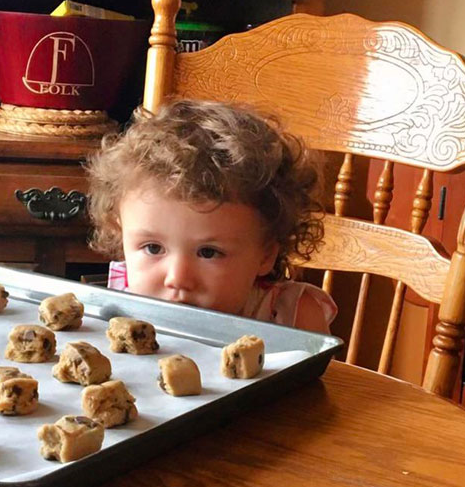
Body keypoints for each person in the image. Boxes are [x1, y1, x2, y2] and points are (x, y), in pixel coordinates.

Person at [86, 99, 337, 333]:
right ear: (121, 234)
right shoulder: (118, 305)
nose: (177, 278)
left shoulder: (292, 317)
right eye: (153, 248)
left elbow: (317, 381)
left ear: (266, 254)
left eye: (208, 252)